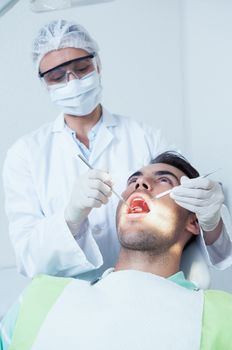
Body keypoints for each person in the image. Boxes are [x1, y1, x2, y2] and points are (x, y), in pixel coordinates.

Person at [2, 19, 232, 279]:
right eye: (57, 76)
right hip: (67, 295)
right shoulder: (25, 154)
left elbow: (188, 219)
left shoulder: (146, 137)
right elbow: (28, 258)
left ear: (97, 64)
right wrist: (70, 218)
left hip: (148, 286)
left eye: (81, 68)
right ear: (45, 83)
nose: (73, 81)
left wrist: (210, 218)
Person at [1, 151, 232, 350]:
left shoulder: (222, 315)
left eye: (164, 180)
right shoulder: (39, 295)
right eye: (133, 181)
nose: (139, 185)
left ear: (193, 221)